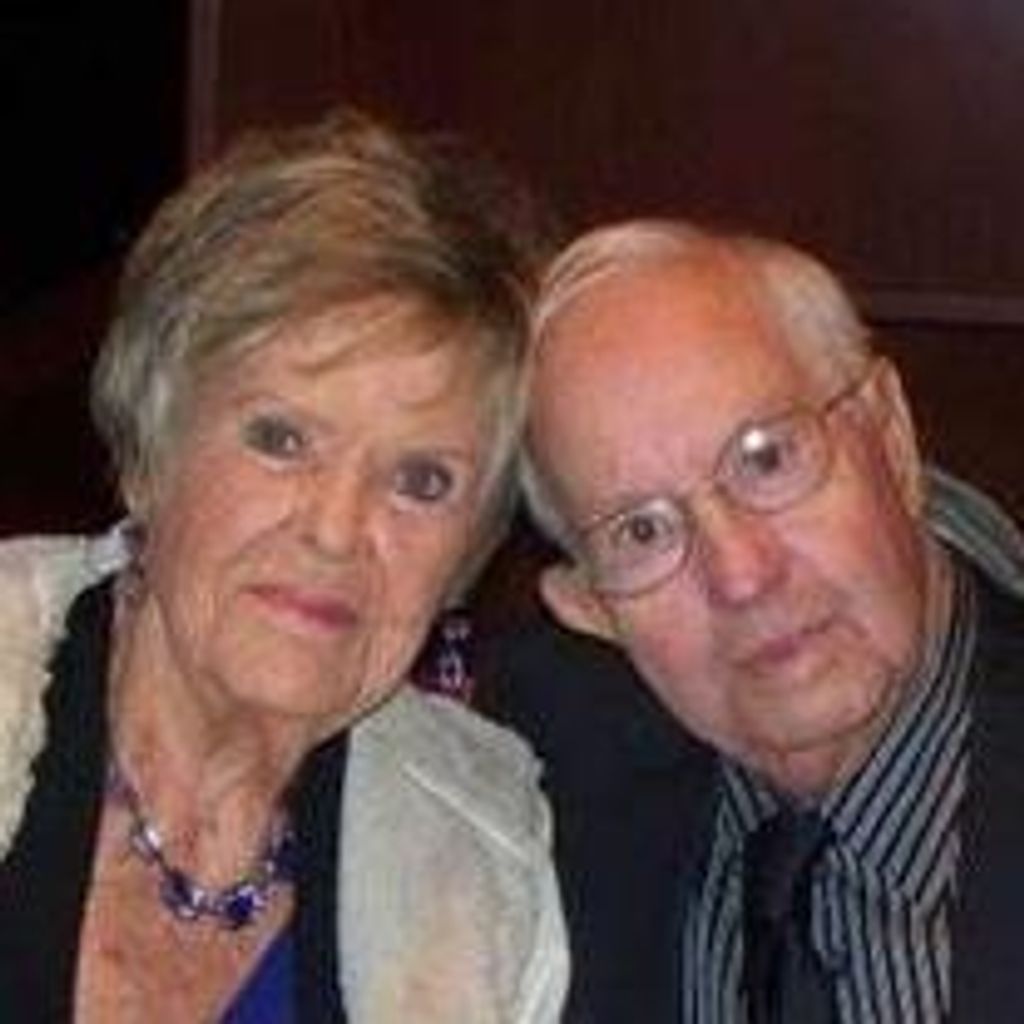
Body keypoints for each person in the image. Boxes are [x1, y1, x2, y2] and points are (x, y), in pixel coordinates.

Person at [0, 110, 568, 1021]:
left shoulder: (485, 872)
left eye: (421, 481)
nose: (337, 532)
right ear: (152, 448)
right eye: (281, 438)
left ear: (472, 548)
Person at [483, 218, 1024, 1023]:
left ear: (891, 436)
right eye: (642, 531)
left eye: (767, 458)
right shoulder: (533, 807)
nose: (741, 575)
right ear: (589, 608)